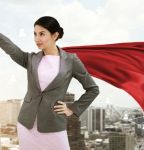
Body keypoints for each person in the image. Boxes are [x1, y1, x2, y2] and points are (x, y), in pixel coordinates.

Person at [0, 16, 99, 150]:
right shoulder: (31, 59)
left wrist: (72, 109)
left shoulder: (71, 61)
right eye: (35, 34)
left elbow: (93, 89)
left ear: (55, 35)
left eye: (42, 34)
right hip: (26, 124)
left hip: (53, 125)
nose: (37, 39)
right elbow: (12, 49)